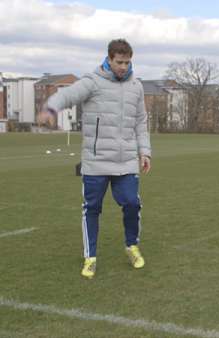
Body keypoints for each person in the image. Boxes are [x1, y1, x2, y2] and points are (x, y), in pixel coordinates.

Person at [42, 39, 151, 279]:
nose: (123, 66)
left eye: (127, 62)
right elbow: (68, 95)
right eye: (119, 62)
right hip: (95, 162)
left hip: (125, 162)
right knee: (91, 209)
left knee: (132, 203)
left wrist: (145, 151)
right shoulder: (92, 82)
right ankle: (90, 258)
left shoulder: (136, 86)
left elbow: (141, 122)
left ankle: (132, 245)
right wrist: (51, 108)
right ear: (109, 59)